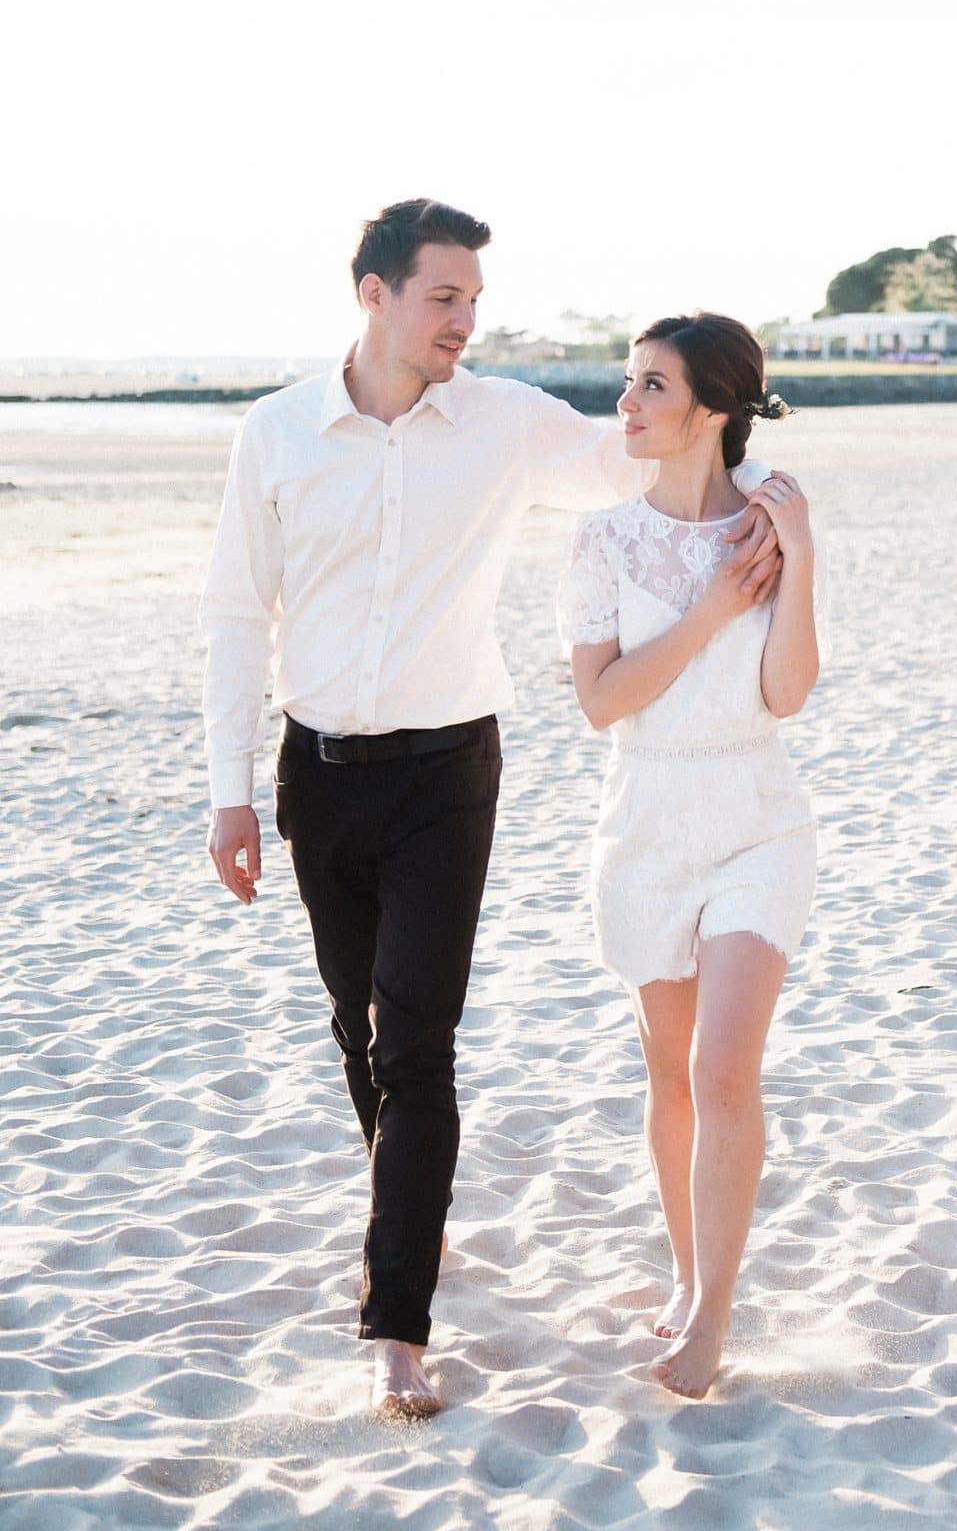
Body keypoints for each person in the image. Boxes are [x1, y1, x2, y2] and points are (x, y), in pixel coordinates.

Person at [199, 201, 782, 1420]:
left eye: (474, 297)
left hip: (448, 771)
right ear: (374, 294)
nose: (468, 318)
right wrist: (231, 792)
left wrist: (774, 493)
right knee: (361, 1034)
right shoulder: (276, 436)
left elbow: (660, 443)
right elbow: (234, 618)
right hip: (318, 771)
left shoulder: (508, 421)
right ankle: (403, 1205)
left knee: (416, 1044)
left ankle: (396, 1323)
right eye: (444, 297)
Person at [558, 311, 821, 1401]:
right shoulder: (603, 540)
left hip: (758, 816)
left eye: (650, 386)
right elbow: (601, 700)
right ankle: (685, 1271)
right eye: (628, 383)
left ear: (711, 408)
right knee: (671, 1072)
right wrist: (712, 607)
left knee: (723, 1068)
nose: (626, 403)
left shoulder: (773, 518)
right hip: (649, 821)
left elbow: (788, 691)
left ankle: (713, 1313)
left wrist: (800, 557)